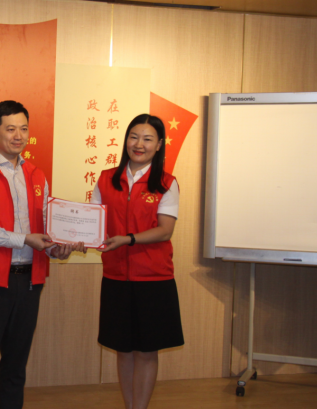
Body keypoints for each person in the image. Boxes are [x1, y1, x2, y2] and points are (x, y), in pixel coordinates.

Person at [0, 100, 82, 409]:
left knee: (15, 366)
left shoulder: (37, 175)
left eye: (24, 129)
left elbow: (46, 228)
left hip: (28, 282)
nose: (19, 136)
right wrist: (24, 239)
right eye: (11, 129)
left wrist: (59, 248)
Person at [90, 114, 184, 409]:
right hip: (116, 277)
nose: (139, 144)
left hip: (153, 279)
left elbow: (165, 230)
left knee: (146, 350)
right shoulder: (106, 178)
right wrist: (79, 237)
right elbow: (93, 223)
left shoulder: (166, 183)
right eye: (133, 137)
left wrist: (128, 239)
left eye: (147, 139)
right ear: (126, 140)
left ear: (159, 145)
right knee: (123, 349)